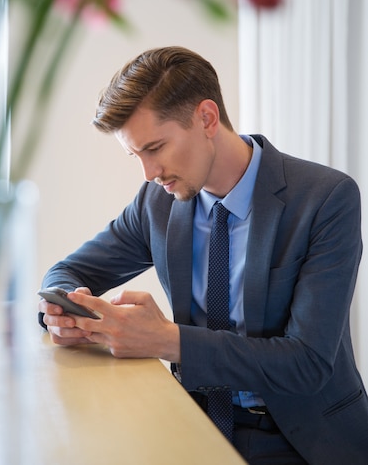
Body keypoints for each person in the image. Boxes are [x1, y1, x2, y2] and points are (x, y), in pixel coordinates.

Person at [38, 46, 368, 464]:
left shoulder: (325, 198)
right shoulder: (156, 203)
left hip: (303, 442)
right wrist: (64, 312)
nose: (148, 173)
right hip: (190, 427)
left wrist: (166, 340)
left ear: (206, 118)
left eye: (155, 147)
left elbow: (307, 362)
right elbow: (66, 272)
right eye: (135, 155)